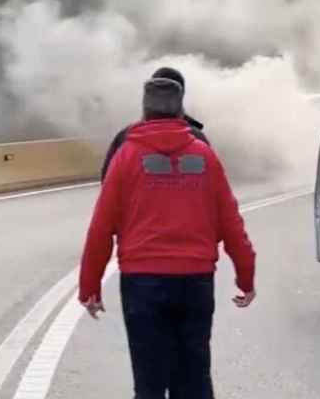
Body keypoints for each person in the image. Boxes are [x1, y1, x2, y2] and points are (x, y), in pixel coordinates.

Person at [78, 76, 256, 399]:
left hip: (142, 284)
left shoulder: (125, 157)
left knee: (149, 381)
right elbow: (231, 222)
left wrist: (89, 286)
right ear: (180, 111)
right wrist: (246, 275)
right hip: (195, 282)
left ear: (144, 112)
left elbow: (101, 227)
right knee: (195, 377)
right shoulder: (204, 156)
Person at [100, 67, 209, 181]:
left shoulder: (127, 137)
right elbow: (213, 188)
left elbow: (108, 182)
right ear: (181, 97)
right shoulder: (198, 139)